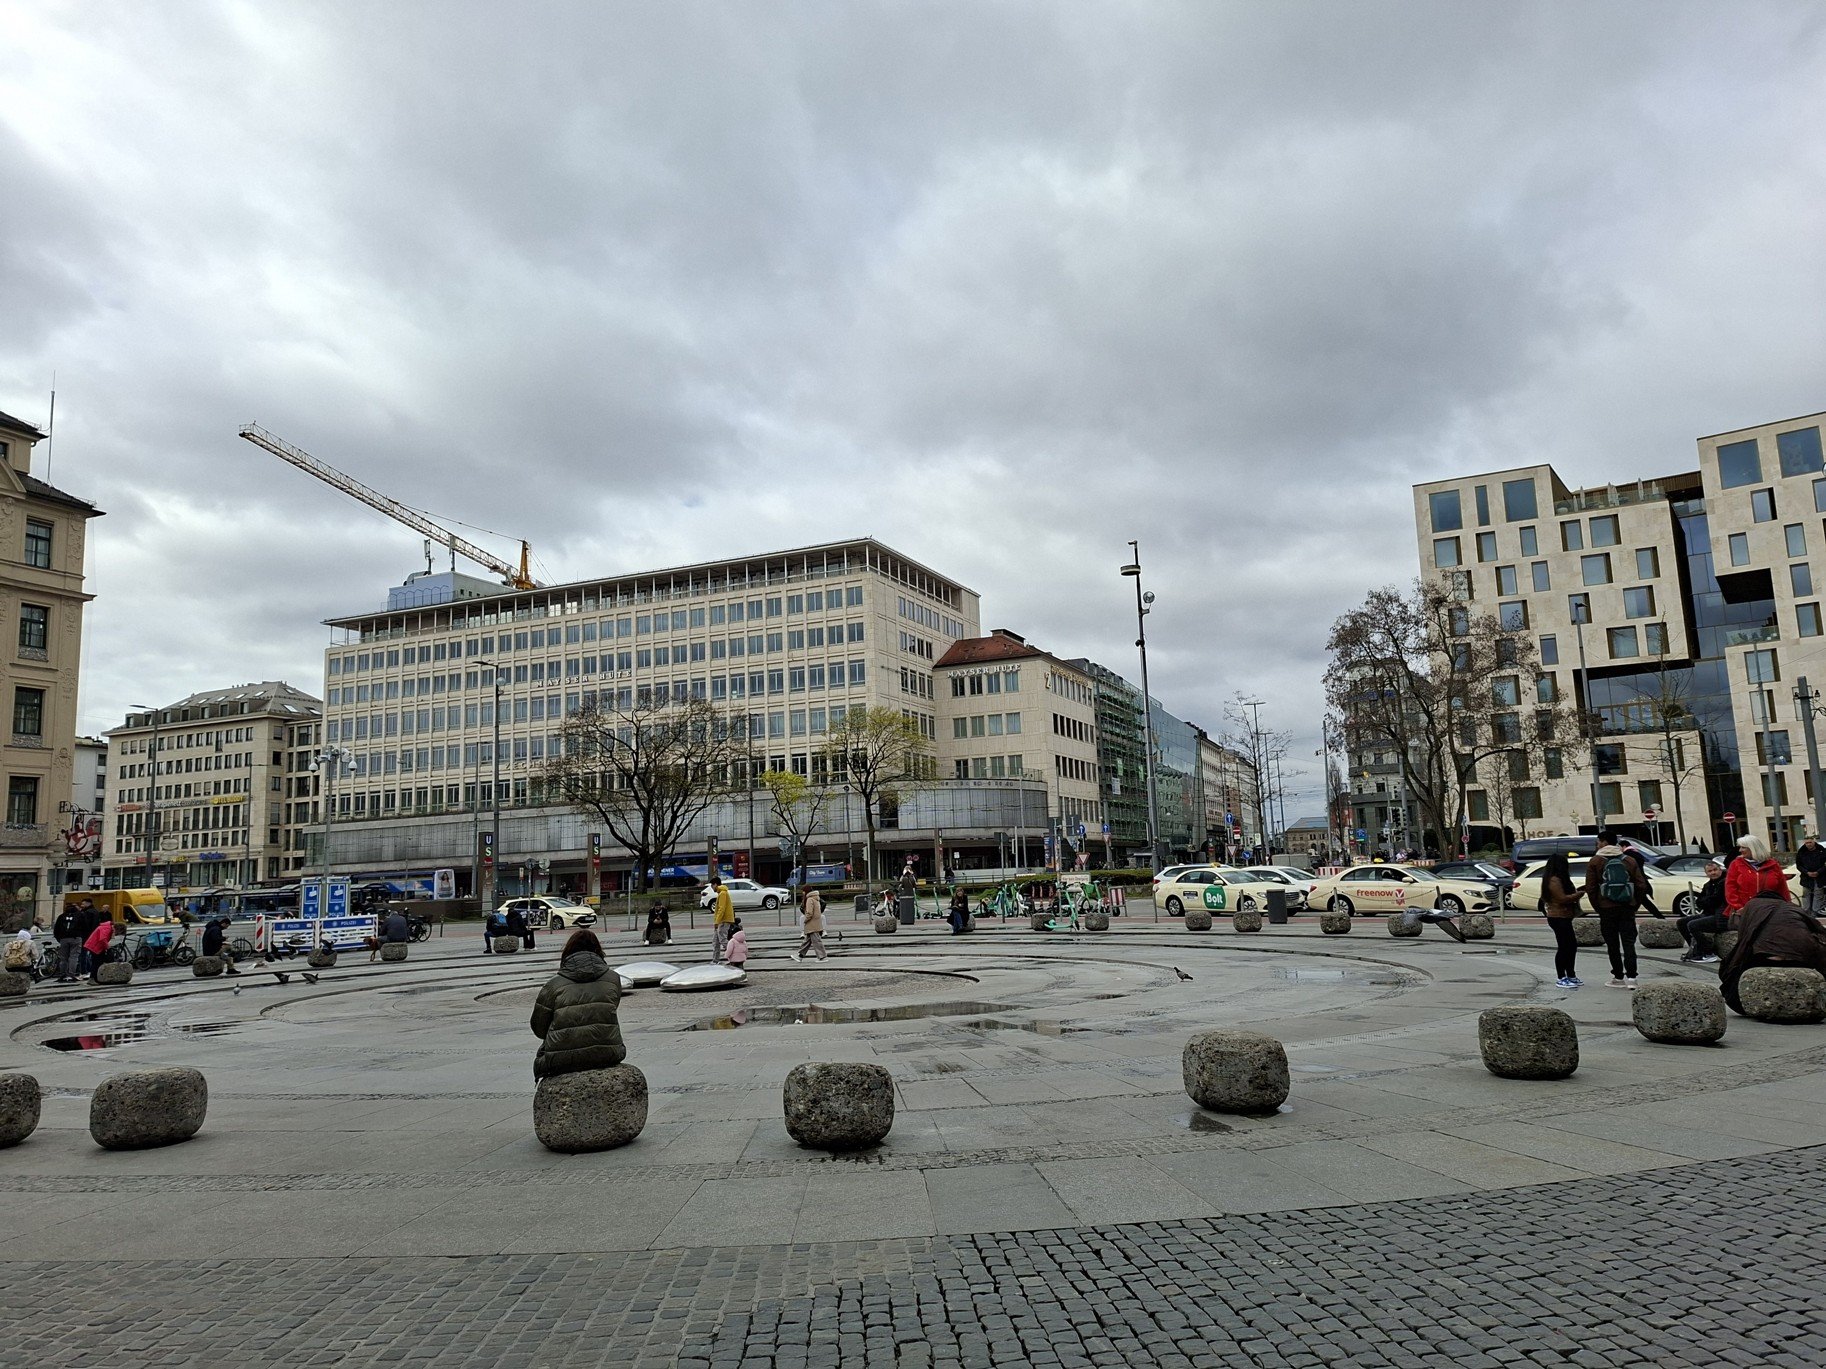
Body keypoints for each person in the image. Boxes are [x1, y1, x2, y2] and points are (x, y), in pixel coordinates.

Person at [529, 929, 626, 1079]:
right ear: (598, 950)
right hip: (608, 1052)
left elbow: (539, 1029)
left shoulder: (553, 985)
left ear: (568, 951)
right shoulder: (613, 979)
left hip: (560, 1059)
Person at [1717, 895, 1826, 1016]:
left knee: (1739, 968)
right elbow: (1818, 928)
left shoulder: (1752, 905)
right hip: (1801, 956)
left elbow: (1744, 937)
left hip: (1765, 955)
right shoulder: (1792, 907)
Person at [1584, 830, 1655, 989]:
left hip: (1606, 908)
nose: (1597, 844)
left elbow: (1591, 887)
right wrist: (1634, 904)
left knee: (1612, 944)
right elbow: (1641, 884)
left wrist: (1598, 906)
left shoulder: (1595, 861)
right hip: (1627, 907)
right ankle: (1632, 978)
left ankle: (1617, 976)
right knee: (1629, 943)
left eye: (1598, 842)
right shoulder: (1629, 860)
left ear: (1602, 842)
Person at [1539, 850, 1585, 987]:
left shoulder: (1558, 879)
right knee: (1564, 947)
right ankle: (1561, 976)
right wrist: (1578, 895)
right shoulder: (1554, 880)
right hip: (1558, 916)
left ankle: (1571, 973)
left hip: (1564, 916)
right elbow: (1562, 898)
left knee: (1571, 946)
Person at [1725, 833, 1792, 913]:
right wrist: (1738, 907)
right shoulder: (1736, 864)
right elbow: (1730, 888)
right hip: (1745, 911)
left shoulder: (1773, 865)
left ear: (1753, 848)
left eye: (1743, 847)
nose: (1740, 850)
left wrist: (1787, 906)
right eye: (1740, 847)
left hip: (1771, 910)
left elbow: (1782, 888)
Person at [1677, 860, 1727, 964]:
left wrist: (1707, 901)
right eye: (1710, 871)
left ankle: (1707, 952)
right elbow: (1699, 902)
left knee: (1693, 925)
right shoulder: (1708, 885)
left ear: (1720, 869)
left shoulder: (1725, 882)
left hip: (1721, 917)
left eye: (1715, 870)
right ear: (1706, 873)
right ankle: (1696, 949)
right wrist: (1707, 901)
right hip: (1709, 913)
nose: (1713, 873)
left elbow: (1716, 900)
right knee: (1682, 922)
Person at [52, 900, 83, 983]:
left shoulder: (61, 916)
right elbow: (85, 927)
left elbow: (56, 929)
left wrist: (59, 938)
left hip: (63, 939)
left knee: (63, 958)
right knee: (74, 957)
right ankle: (71, 974)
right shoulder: (79, 916)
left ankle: (62, 974)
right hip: (76, 938)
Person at [794, 888, 827, 961]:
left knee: (816, 940)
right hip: (815, 922)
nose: (802, 893)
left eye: (803, 891)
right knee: (808, 940)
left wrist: (805, 920)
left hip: (812, 923)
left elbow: (809, 912)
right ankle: (800, 955)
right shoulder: (816, 898)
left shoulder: (809, 899)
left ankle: (822, 957)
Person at [1796, 834, 1826, 914]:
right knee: (1806, 895)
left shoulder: (1822, 851)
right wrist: (1806, 872)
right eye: (1807, 843)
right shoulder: (1801, 852)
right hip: (1806, 877)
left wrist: (1818, 872)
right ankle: (1806, 912)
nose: (1808, 844)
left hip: (1819, 876)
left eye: (1810, 842)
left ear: (1814, 842)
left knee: (1818, 894)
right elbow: (1798, 865)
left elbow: (1825, 864)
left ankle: (1816, 912)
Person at [83, 915, 114, 982]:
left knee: (99, 961)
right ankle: (92, 978)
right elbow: (102, 939)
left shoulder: (107, 927)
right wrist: (108, 948)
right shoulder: (107, 928)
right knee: (96, 962)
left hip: (96, 946)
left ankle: (96, 978)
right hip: (94, 946)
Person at [710, 877, 735, 963]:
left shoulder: (723, 893)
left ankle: (735, 957)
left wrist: (717, 922)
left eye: (712, 885)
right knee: (715, 942)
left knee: (723, 941)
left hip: (723, 921)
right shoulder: (721, 893)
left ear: (715, 884)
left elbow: (721, 909)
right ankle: (715, 960)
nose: (711, 887)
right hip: (721, 921)